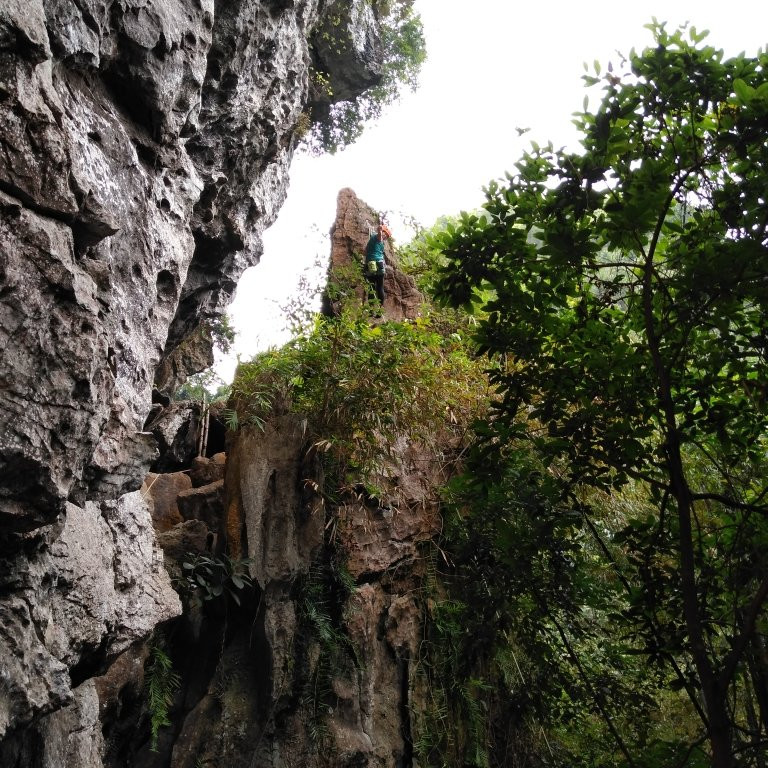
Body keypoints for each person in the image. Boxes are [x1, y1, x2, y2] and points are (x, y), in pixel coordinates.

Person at [364, 223, 391, 310]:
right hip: (379, 264)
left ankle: (372, 310)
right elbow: (379, 234)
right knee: (379, 287)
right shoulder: (379, 240)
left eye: (386, 237)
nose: (385, 238)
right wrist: (381, 229)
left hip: (371, 264)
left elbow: (365, 251)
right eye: (385, 236)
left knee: (372, 287)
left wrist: (381, 228)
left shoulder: (377, 238)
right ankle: (380, 308)